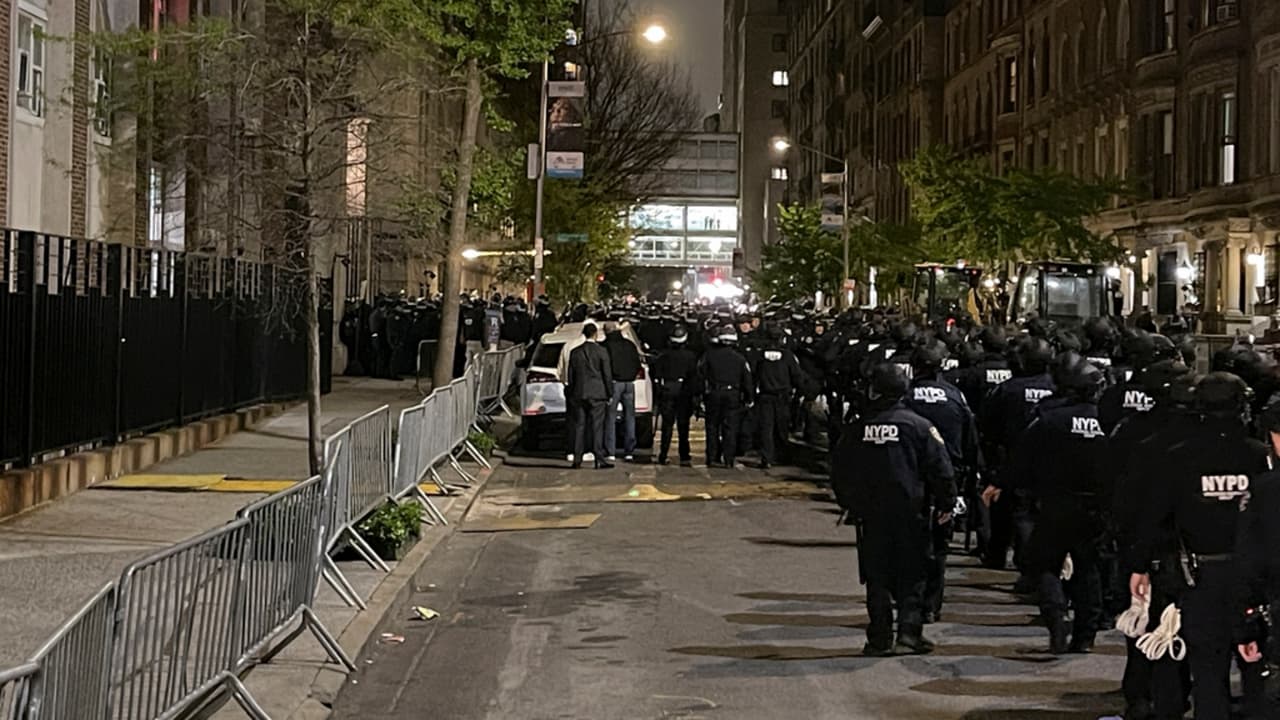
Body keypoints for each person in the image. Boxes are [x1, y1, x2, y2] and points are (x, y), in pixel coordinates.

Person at [1129, 373, 1270, 719]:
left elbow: (1156, 515)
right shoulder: (1260, 457)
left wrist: (1140, 563)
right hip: (1257, 578)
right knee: (1259, 668)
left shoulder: (1177, 457)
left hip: (1201, 576)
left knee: (1208, 670)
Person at [832, 363, 957, 656]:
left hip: (871, 515)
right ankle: (909, 635)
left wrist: (849, 503)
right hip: (912, 513)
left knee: (877, 576)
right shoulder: (920, 427)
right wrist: (946, 503)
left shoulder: (858, 428)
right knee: (912, 575)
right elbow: (941, 469)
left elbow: (840, 470)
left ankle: (879, 638)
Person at [1007, 353, 1109, 654]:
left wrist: (1010, 484)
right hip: (1095, 508)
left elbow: (1023, 458)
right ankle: (1085, 637)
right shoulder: (1108, 421)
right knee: (1088, 570)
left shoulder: (1049, 420)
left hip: (1055, 504)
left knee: (1044, 565)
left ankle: (1056, 616)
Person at [905, 339, 982, 623]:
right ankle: (931, 606)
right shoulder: (955, 396)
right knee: (939, 548)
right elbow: (970, 438)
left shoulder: (906, 397)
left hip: (911, 482)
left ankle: (909, 602)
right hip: (946, 481)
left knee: (908, 544)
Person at [700, 326, 754, 469]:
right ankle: (728, 459)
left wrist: (699, 397)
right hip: (733, 395)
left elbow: (700, 377)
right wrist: (749, 398)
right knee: (730, 428)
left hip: (714, 394)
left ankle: (712, 457)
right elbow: (747, 380)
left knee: (712, 427)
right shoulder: (740, 359)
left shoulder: (709, 356)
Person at [753, 325, 805, 469]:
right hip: (782, 396)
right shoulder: (787, 355)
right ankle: (782, 455)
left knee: (766, 428)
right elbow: (796, 375)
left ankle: (766, 457)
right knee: (782, 427)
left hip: (765, 395)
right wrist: (800, 390)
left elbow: (754, 374)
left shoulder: (760, 355)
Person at [565, 324, 614, 470]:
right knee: (596, 426)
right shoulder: (601, 351)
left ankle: (577, 458)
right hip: (598, 393)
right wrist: (609, 393)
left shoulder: (575, 352)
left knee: (579, 426)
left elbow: (571, 375)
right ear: (595, 334)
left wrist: (573, 391)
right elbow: (607, 374)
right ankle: (599, 458)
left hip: (580, 393)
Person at [653, 325, 699, 466]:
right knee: (683, 426)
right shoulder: (690, 356)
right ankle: (684, 455)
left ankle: (663, 454)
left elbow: (656, 375)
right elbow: (694, 377)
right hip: (684, 392)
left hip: (667, 390)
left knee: (667, 426)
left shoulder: (663, 356)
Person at [602, 323, 642, 462]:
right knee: (630, 417)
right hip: (629, 384)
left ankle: (610, 450)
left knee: (610, 418)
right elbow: (638, 363)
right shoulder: (629, 345)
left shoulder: (606, 346)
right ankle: (629, 450)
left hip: (614, 383)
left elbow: (604, 366)